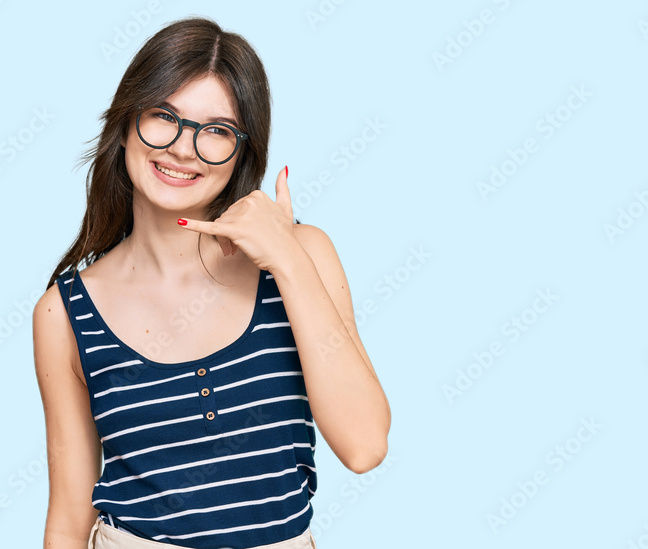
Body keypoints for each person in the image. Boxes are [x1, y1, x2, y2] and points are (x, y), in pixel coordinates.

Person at [32, 16, 390, 549]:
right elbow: (68, 515)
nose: (182, 148)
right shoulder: (64, 314)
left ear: (243, 150)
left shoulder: (302, 255)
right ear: (126, 123)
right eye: (163, 116)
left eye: (216, 130)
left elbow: (364, 446)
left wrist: (287, 261)